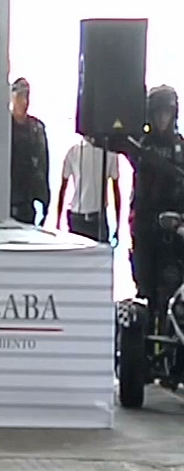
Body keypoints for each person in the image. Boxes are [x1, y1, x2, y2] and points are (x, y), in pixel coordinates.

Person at [129, 85, 184, 313]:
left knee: (171, 290)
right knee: (145, 291)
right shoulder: (140, 144)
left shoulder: (180, 147)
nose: (163, 118)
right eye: (158, 112)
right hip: (145, 230)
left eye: (167, 113)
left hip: (173, 233)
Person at [55, 135, 121, 243]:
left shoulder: (109, 153)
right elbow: (63, 187)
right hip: (80, 217)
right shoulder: (74, 152)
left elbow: (116, 190)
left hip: (95, 217)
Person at [8, 78, 49, 225]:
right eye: (20, 96)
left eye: (27, 96)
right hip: (7, 199)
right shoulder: (5, 127)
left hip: (27, 199)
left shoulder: (36, 128)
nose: (24, 102)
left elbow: (43, 165)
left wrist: (45, 199)